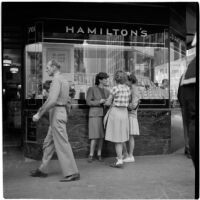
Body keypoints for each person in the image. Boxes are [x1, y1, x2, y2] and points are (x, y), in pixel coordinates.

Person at [30, 59, 80, 182]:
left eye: (47, 67)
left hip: (57, 113)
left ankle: (72, 172)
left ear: (54, 67)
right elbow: (66, 100)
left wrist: (38, 114)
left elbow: (51, 101)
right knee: (48, 143)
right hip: (58, 113)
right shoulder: (63, 79)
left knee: (62, 144)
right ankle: (42, 169)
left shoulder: (57, 80)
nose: (46, 69)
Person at [104, 70, 131, 168]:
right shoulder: (128, 89)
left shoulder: (114, 88)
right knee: (122, 137)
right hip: (124, 113)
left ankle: (119, 160)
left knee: (117, 139)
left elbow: (108, 102)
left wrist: (105, 101)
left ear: (116, 79)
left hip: (115, 113)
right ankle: (122, 156)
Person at [86, 72, 110, 162]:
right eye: (105, 79)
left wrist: (107, 102)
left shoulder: (107, 91)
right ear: (100, 80)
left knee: (101, 136)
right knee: (94, 136)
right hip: (95, 115)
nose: (107, 80)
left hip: (104, 114)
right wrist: (99, 102)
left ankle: (99, 154)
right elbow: (88, 102)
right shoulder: (91, 89)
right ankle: (91, 154)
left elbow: (109, 103)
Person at [123, 72, 140, 163]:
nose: (125, 82)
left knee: (130, 136)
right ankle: (127, 154)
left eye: (126, 80)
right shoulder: (131, 88)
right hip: (129, 114)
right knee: (128, 136)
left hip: (131, 114)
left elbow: (133, 105)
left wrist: (124, 105)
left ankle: (130, 155)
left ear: (130, 80)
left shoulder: (134, 89)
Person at [177, 75, 191, 158]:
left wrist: (182, 104)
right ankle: (189, 148)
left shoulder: (183, 76)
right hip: (189, 104)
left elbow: (179, 93)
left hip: (185, 104)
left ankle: (187, 147)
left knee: (186, 126)